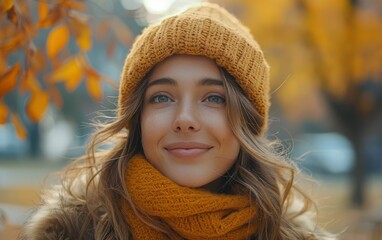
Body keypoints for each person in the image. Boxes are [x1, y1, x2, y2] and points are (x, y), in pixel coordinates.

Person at [21, 3, 335, 239]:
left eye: (214, 98)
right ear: (137, 117)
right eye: (162, 97)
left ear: (248, 122)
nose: (185, 120)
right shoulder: (72, 231)